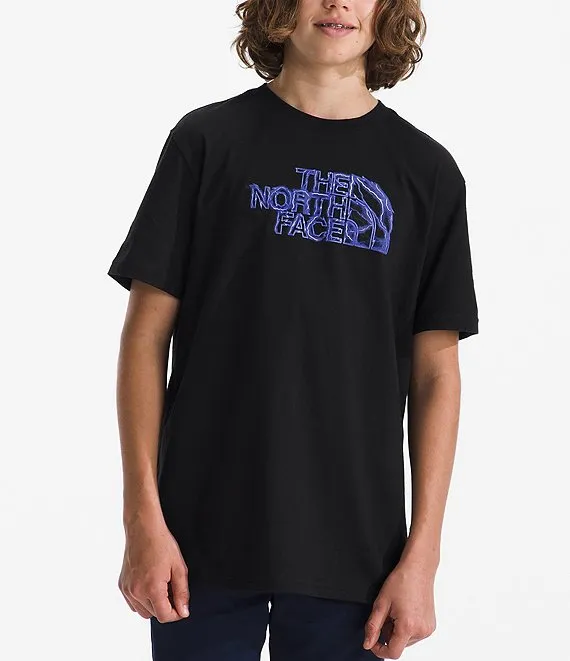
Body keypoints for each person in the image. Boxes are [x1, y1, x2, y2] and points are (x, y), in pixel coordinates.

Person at [107, 0, 479, 659]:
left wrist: (423, 557)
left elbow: (436, 375)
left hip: (358, 555)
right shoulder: (206, 142)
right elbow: (144, 339)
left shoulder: (427, 173)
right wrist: (143, 519)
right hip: (198, 542)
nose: (338, 3)